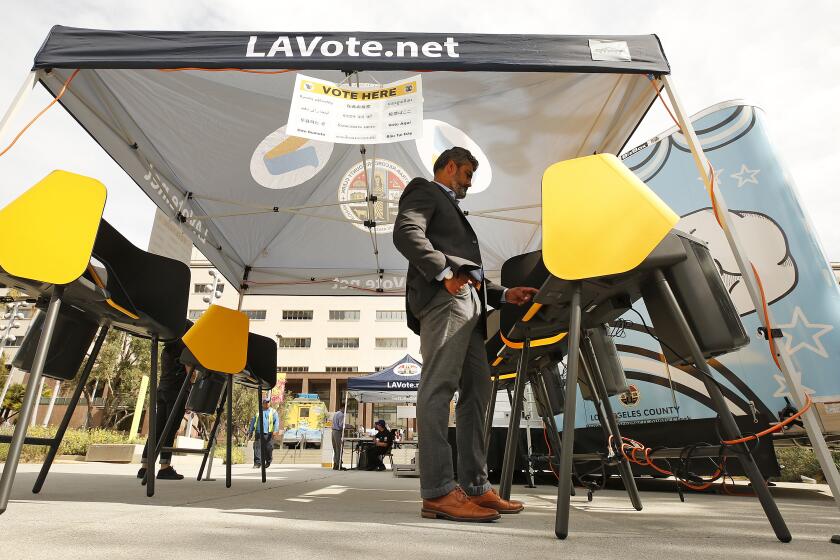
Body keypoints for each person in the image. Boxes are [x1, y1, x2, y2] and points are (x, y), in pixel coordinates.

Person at [393, 146, 539, 522]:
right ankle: (439, 491)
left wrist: (505, 295)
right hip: (446, 302)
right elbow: (406, 232)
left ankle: (475, 486)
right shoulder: (424, 190)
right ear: (451, 166)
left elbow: (470, 275)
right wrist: (443, 272)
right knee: (439, 387)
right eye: (468, 174)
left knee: (478, 393)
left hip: (471, 308)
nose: (469, 183)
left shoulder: (451, 208)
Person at [137, 339, 194, 481]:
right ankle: (164, 467)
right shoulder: (185, 349)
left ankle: (144, 467)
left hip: (162, 390)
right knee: (169, 430)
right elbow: (190, 374)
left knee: (157, 430)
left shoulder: (166, 350)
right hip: (177, 392)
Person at [248, 396, 280, 468]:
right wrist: (250, 431)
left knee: (269, 448)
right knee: (257, 448)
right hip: (259, 433)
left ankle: (268, 461)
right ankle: (257, 463)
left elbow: (276, 422)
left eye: (268, 402)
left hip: (269, 433)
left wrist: (275, 431)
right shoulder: (258, 412)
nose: (267, 404)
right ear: (262, 403)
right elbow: (253, 422)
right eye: (265, 402)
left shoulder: (273, 412)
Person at [331, 406, 346, 470]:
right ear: (342, 408)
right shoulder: (341, 415)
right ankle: (339, 465)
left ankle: (335, 464)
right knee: (339, 449)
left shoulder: (336, 413)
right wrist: (348, 425)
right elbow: (341, 425)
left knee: (335, 449)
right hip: (338, 432)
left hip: (333, 432)